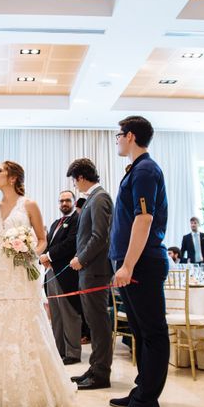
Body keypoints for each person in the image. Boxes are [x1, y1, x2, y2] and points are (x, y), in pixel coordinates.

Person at [0, 161, 80, 407]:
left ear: (12, 178)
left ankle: (34, 393)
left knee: (26, 324)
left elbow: (42, 239)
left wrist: (30, 253)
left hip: (22, 272)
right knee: (0, 323)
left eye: (1, 172)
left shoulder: (29, 205)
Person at [108, 115, 170, 407]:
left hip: (143, 263)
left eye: (118, 135)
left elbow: (143, 220)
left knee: (152, 333)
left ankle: (146, 404)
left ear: (130, 136)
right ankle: (140, 391)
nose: (116, 140)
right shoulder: (137, 169)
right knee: (140, 333)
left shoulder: (145, 169)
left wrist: (129, 264)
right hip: (132, 262)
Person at [66, 158, 114, 391]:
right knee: (94, 324)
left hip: (95, 271)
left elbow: (99, 236)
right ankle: (95, 368)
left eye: (75, 181)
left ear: (81, 178)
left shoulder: (100, 198)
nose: (75, 186)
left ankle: (101, 373)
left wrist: (80, 258)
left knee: (99, 324)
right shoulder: (93, 199)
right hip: (89, 271)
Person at [39, 190, 82, 365]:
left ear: (73, 201)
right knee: (55, 314)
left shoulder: (76, 220)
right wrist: (44, 257)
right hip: (52, 273)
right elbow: (48, 244)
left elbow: (71, 243)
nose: (64, 203)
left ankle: (72, 353)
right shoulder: (56, 223)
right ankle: (59, 350)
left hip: (67, 274)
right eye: (61, 201)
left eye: (67, 200)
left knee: (69, 313)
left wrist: (48, 256)